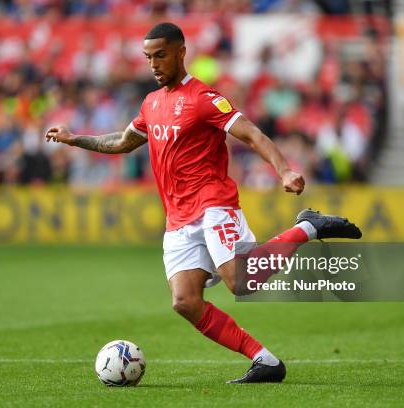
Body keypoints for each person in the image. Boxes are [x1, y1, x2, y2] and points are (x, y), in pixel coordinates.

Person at [45, 22, 361, 383]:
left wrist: (284, 170)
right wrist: (75, 140)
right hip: (178, 219)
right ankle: (266, 362)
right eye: (148, 57)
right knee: (185, 302)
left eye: (160, 55)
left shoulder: (203, 99)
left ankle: (309, 226)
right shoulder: (151, 103)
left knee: (240, 281)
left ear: (181, 52)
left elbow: (252, 134)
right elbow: (122, 142)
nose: (153, 64)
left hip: (213, 204)